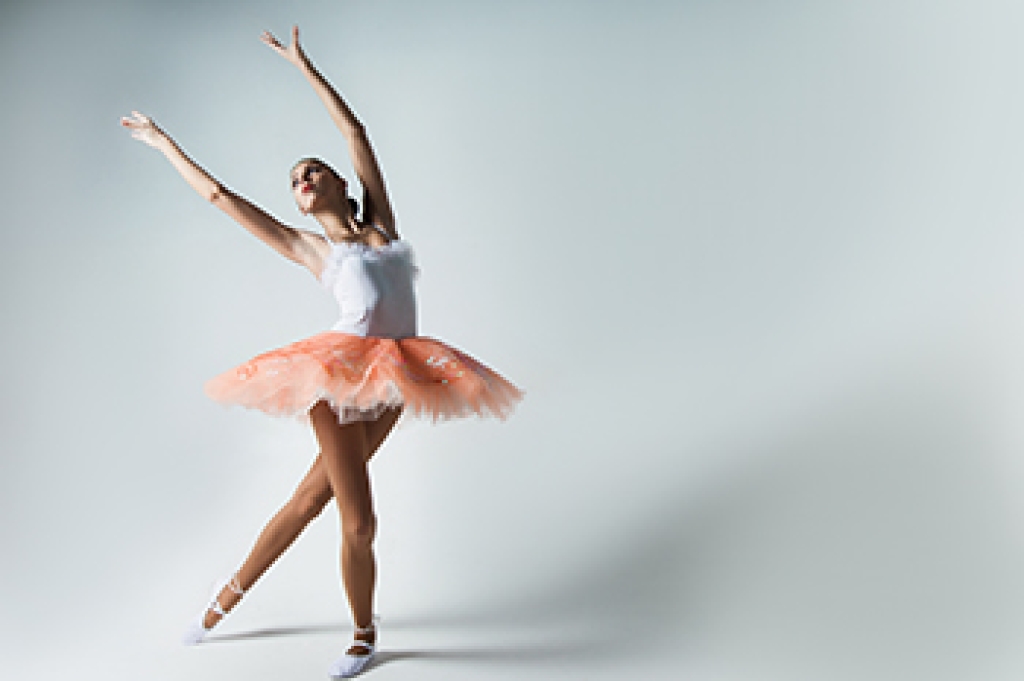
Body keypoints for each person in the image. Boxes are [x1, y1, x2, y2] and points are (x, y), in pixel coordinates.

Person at [120, 25, 522, 679]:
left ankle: (224, 600)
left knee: (309, 500)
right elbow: (222, 198)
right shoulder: (312, 248)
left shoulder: (383, 227)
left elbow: (356, 133)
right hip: (337, 378)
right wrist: (165, 143)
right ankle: (364, 637)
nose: (303, 180)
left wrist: (303, 66)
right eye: (294, 180)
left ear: (339, 182)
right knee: (359, 523)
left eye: (313, 171)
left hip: (398, 376)